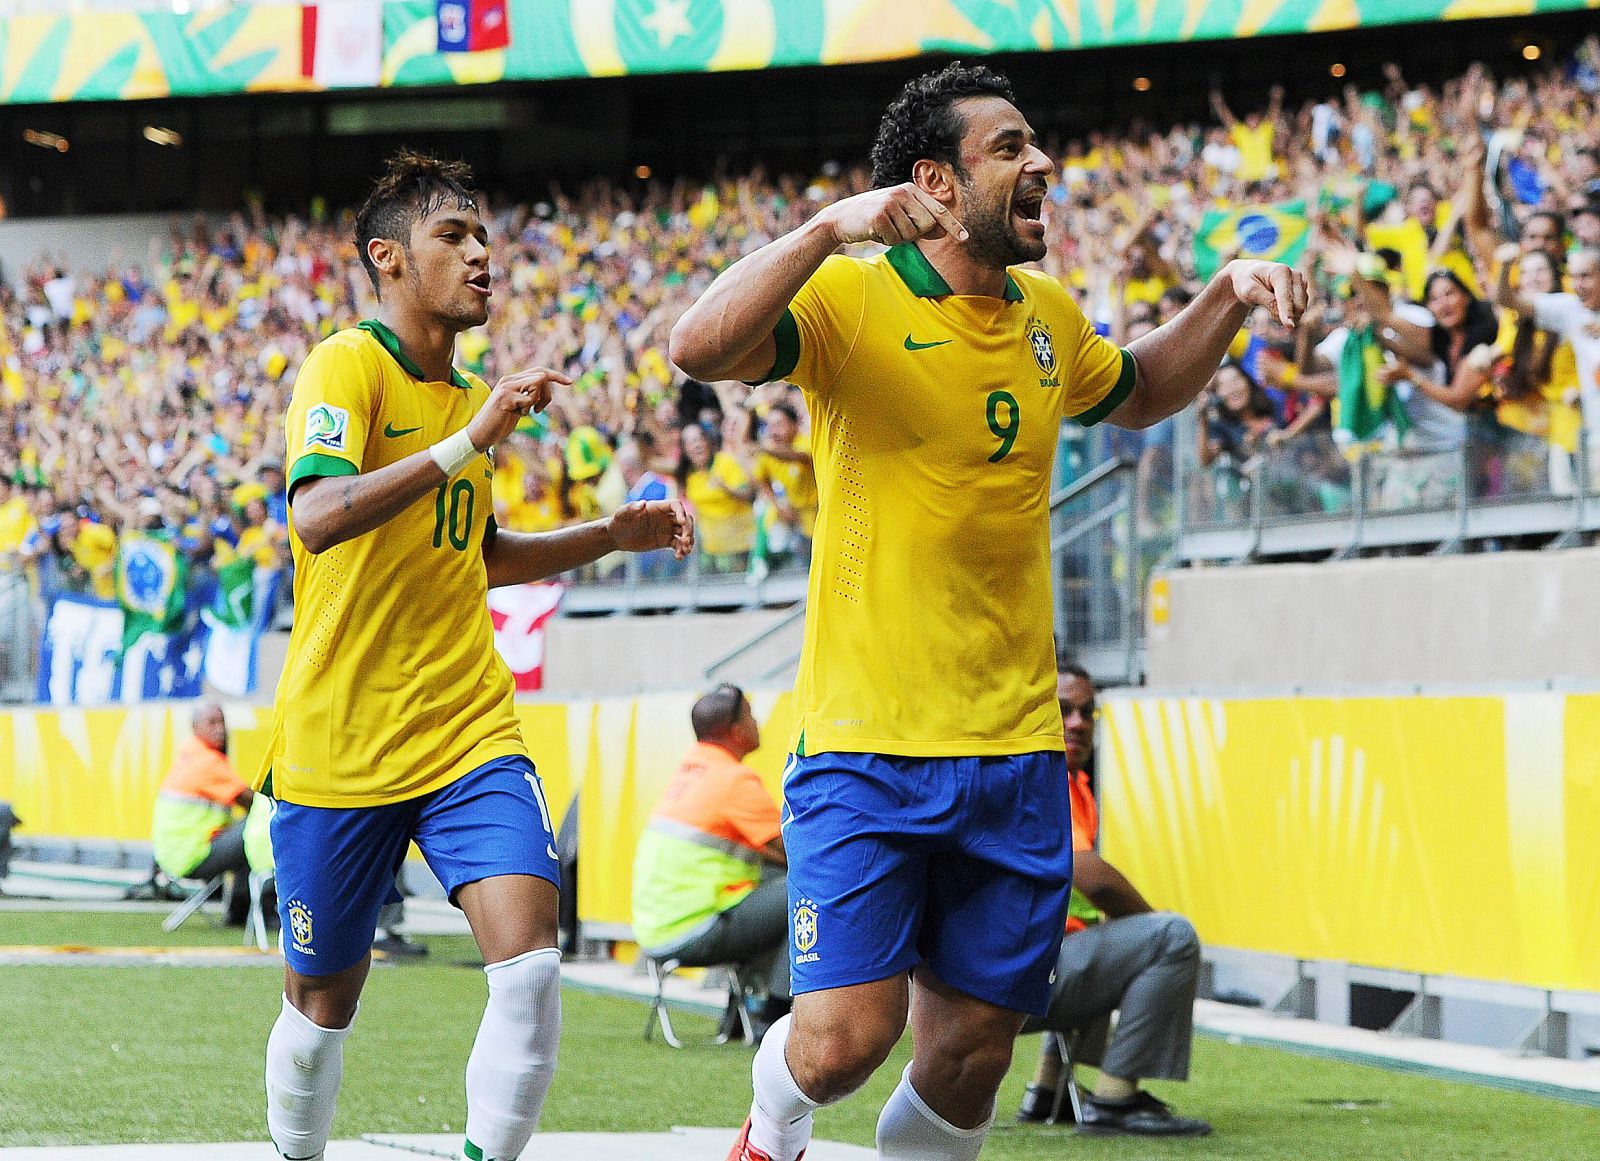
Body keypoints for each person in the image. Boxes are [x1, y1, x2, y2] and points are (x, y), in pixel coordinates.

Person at [670, 61, 1305, 1161]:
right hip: (867, 744)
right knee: (841, 1044)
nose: (1041, 162)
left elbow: (1142, 390)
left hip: (1013, 755)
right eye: (1009, 147)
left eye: (1034, 143)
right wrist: (825, 230)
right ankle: (772, 1129)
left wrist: (1227, 295)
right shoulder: (850, 299)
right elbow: (697, 347)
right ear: (935, 181)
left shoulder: (1048, 315)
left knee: (969, 1056)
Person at [255, 151, 693, 1161]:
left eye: (484, 235)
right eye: (452, 235)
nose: (481, 254)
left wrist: (605, 536)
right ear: (388, 258)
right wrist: (469, 441)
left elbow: (476, 555)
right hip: (340, 739)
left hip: (467, 729)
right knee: (320, 1007)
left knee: (530, 968)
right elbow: (316, 515)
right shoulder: (346, 365)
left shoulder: (469, 400)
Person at [1014, 665, 1209, 1137]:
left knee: (1105, 940)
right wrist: (1153, 926)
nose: (1078, 723)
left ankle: (1047, 1091)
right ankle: (1115, 1100)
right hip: (1007, 981)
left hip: (1008, 975)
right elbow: (1094, 881)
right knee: (1170, 937)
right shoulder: (1039, 778)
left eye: (1087, 712)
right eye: (1063, 711)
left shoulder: (1071, 785)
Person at [631, 684, 791, 1037]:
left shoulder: (690, 772)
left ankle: (740, 1017)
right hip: (694, 929)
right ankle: (774, 1015)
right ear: (735, 731)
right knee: (807, 890)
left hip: (655, 930)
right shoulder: (733, 779)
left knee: (771, 884)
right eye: (750, 715)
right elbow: (793, 852)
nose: (757, 722)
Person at [150, 702, 253, 924]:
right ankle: (258, 907)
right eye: (212, 722)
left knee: (249, 832)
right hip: (192, 855)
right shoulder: (206, 761)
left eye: (222, 722)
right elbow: (251, 801)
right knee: (259, 827)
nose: (220, 728)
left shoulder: (190, 754)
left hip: (175, 855)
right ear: (195, 727)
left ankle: (239, 911)